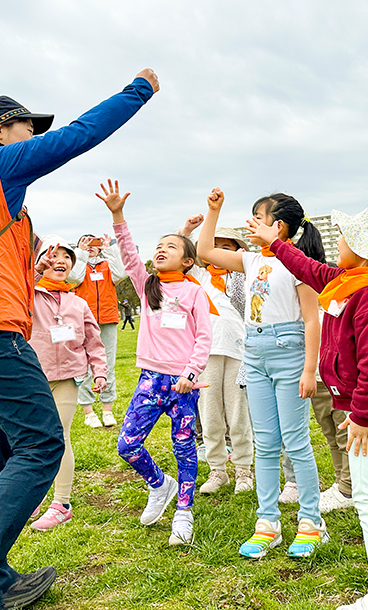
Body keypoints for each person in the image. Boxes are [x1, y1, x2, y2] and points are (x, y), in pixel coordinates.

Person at [0, 68, 159, 610]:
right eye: (27, 127)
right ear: (0, 130)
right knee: (42, 443)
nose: (33, 137)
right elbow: (79, 135)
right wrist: (139, 89)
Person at [246, 203, 368, 610]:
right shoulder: (347, 282)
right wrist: (275, 244)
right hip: (367, 411)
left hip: (365, 413)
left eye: (347, 237)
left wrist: (361, 417)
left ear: (366, 249)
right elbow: (308, 269)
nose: (339, 242)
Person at [197, 188, 326, 559]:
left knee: (296, 441)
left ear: (279, 226)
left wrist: (309, 369)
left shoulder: (298, 262)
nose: (251, 222)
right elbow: (205, 251)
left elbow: (311, 318)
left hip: (290, 352)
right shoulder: (252, 260)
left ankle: (311, 521)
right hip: (254, 353)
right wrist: (213, 211)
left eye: (259, 216)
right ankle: (267, 523)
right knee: (266, 443)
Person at [102, 179, 212, 546]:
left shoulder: (194, 291)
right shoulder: (147, 285)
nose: (161, 250)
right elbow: (130, 255)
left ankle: (184, 510)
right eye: (159, 246)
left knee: (184, 447)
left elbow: (203, 338)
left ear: (188, 260)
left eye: (171, 246)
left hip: (184, 385)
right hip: (151, 381)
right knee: (127, 444)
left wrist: (190, 374)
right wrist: (118, 215)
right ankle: (158, 485)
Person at [27, 237, 108, 531]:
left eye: (66, 256)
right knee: (29, 441)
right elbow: (18, 285)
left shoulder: (78, 302)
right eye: (53, 255)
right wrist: (35, 270)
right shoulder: (29, 295)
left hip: (68, 380)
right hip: (32, 378)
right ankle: (31, 496)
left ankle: (61, 503)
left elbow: (93, 341)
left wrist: (99, 372)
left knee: (59, 436)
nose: (60, 261)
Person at [178, 215, 255, 494]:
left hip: (240, 352)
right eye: (215, 246)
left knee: (238, 415)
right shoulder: (197, 276)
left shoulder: (247, 278)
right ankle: (217, 470)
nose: (220, 252)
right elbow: (179, 254)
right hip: (205, 353)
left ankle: (244, 470)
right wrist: (187, 230)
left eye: (228, 247)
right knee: (209, 414)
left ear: (238, 251)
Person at [69, 232, 127, 428]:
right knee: (83, 365)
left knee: (107, 364)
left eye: (94, 242)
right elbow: (73, 278)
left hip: (107, 319)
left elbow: (121, 273)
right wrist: (81, 254)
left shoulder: (107, 266)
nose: (91, 246)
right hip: (82, 320)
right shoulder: (78, 266)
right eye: (85, 242)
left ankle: (107, 409)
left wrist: (109, 248)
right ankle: (88, 410)